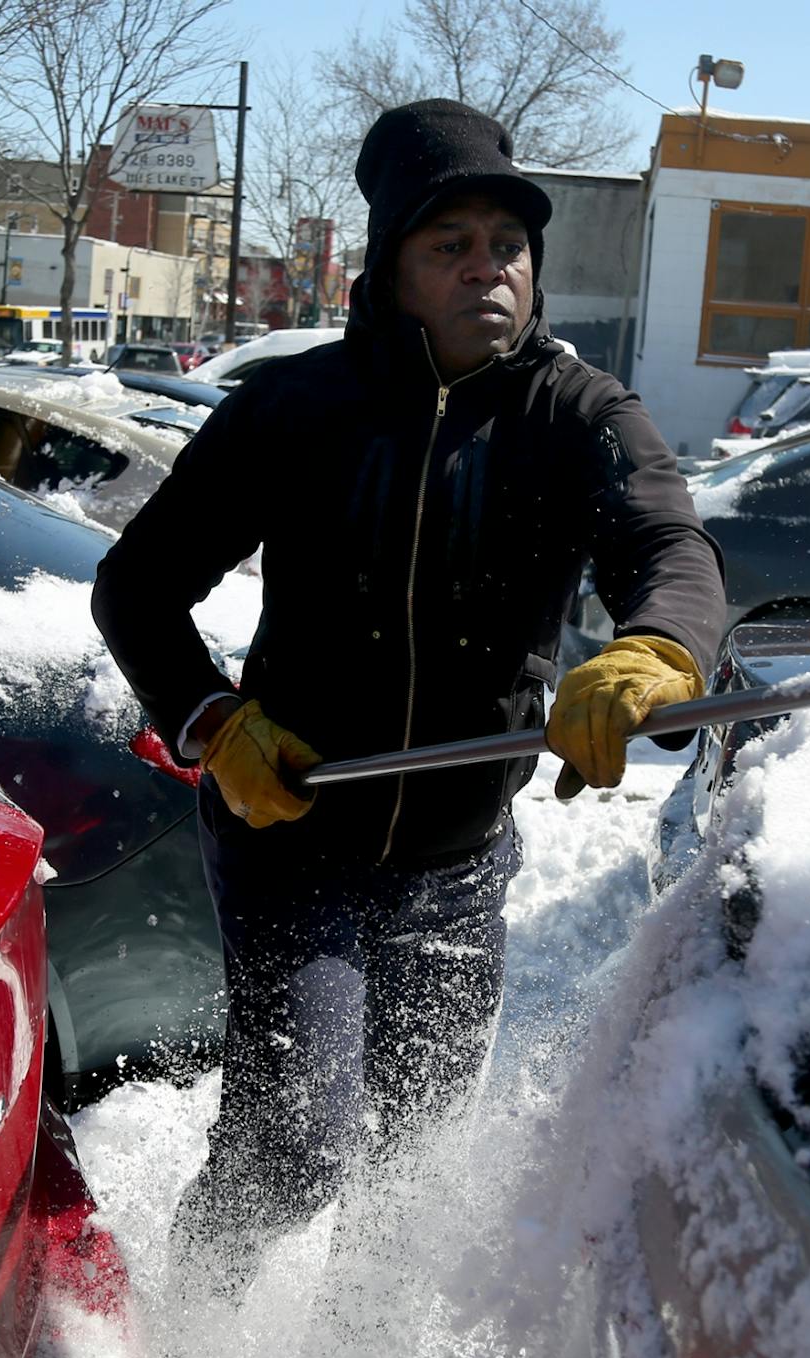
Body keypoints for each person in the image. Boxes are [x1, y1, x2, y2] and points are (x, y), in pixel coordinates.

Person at [90, 98, 725, 1288]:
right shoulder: (294, 409)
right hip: (295, 837)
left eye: (509, 244)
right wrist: (213, 718)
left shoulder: (577, 415)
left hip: (457, 855)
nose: (490, 267)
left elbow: (673, 551)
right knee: (296, 1141)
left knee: (413, 1166)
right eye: (453, 245)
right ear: (392, 268)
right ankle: (186, 1340)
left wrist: (654, 648)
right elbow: (135, 587)